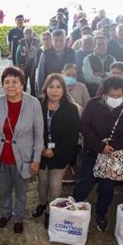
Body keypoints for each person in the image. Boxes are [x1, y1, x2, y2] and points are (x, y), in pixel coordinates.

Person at [73, 77, 123, 232]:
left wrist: (113, 146)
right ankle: (74, 207)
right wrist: (100, 146)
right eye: (112, 95)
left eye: (119, 96)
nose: (115, 99)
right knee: (86, 182)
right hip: (92, 152)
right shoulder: (93, 104)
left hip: (113, 156)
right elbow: (84, 126)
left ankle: (101, 213)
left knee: (107, 187)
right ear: (104, 93)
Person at [0, 67, 44, 234]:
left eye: (15, 82)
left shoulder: (33, 103)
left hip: (24, 157)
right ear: (2, 84)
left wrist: (36, 159)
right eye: (7, 82)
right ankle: (5, 213)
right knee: (3, 189)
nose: (11, 86)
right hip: (2, 155)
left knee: (21, 191)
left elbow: (39, 135)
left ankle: (18, 217)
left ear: (22, 83)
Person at [32, 74, 79, 228]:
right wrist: (41, 149)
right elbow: (32, 129)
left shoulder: (71, 108)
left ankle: (50, 212)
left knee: (55, 184)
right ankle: (42, 204)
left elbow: (72, 136)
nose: (54, 90)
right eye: (51, 86)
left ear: (64, 90)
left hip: (60, 154)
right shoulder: (38, 104)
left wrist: (56, 151)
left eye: (58, 87)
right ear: (45, 89)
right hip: (41, 151)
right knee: (42, 182)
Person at [15, 27, 41, 96]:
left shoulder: (37, 41)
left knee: (32, 80)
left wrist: (38, 64)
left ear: (33, 34)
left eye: (30, 33)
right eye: (26, 33)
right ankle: (22, 95)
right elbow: (17, 54)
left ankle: (33, 95)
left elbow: (40, 53)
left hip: (33, 64)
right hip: (24, 64)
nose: (28, 35)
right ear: (24, 34)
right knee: (24, 81)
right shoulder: (21, 42)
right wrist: (18, 65)